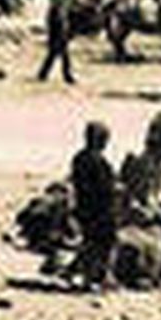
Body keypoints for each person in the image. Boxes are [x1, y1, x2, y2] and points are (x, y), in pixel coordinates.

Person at [68, 120, 117, 292]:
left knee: (90, 243)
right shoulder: (98, 162)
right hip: (99, 210)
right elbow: (104, 188)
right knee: (103, 244)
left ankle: (91, 277)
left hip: (84, 208)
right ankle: (97, 278)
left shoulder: (79, 158)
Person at [37, 0, 76, 85]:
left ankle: (43, 74)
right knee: (61, 57)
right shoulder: (56, 10)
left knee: (54, 56)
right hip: (57, 36)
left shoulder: (56, 9)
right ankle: (66, 76)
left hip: (57, 36)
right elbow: (57, 24)